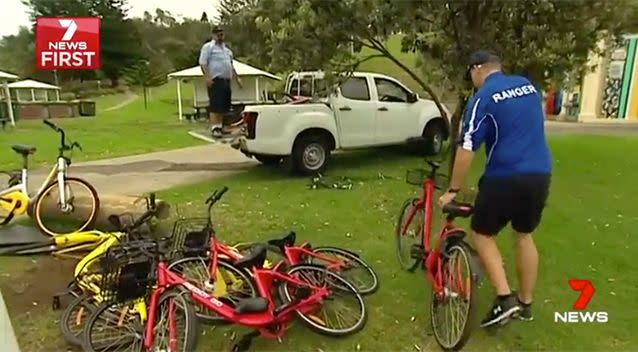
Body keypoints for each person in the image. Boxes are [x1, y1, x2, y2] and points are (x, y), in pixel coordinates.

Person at [438, 50, 552, 327]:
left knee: (481, 233)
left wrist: (454, 189)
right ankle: (525, 303)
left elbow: (467, 147)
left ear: (477, 70)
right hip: (540, 173)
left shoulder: (482, 99)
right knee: (524, 235)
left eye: (471, 74)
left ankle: (504, 299)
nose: (472, 80)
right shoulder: (528, 87)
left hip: (505, 176)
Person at [198, 25, 242, 138]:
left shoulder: (227, 50)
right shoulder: (208, 47)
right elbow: (203, 63)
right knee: (215, 104)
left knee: (224, 104)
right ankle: (215, 128)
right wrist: (207, 77)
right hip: (215, 79)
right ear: (213, 35)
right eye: (218, 33)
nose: (220, 35)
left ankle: (221, 126)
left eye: (222, 33)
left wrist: (237, 78)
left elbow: (231, 65)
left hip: (226, 80)